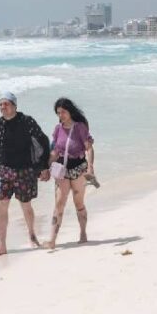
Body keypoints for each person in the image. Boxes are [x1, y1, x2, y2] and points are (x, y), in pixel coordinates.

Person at [0, 91, 50, 258]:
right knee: (1, 206)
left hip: (25, 170)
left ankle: (32, 236)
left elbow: (44, 141)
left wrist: (44, 166)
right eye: (0, 104)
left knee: (25, 206)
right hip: (4, 171)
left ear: (14, 105)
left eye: (6, 104)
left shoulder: (26, 121)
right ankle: (2, 245)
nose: (2, 107)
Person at [45, 98, 96, 249]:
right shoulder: (57, 129)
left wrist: (90, 167)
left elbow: (89, 148)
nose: (60, 115)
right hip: (61, 169)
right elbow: (54, 151)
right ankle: (52, 240)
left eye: (63, 112)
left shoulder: (80, 127)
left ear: (70, 111)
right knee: (59, 203)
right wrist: (46, 168)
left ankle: (83, 233)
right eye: (58, 113)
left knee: (78, 202)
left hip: (78, 168)